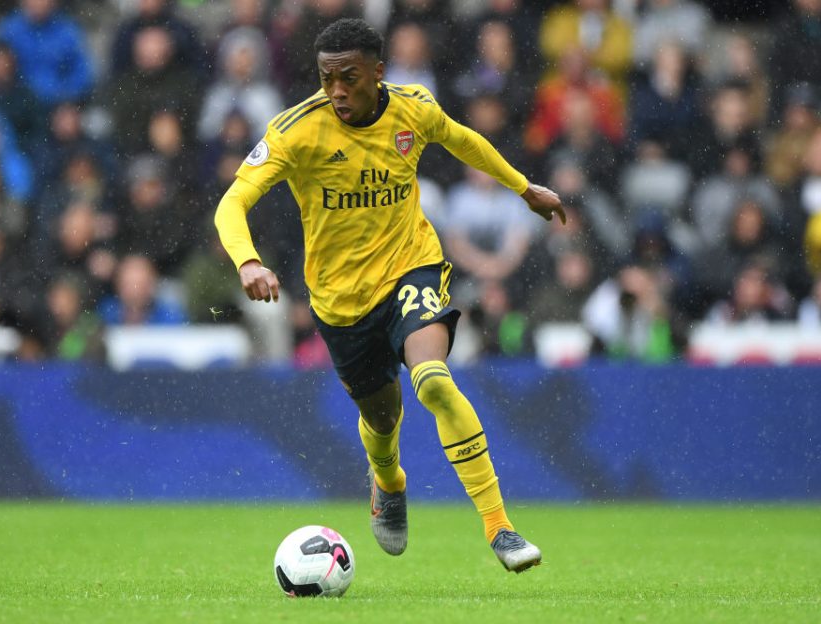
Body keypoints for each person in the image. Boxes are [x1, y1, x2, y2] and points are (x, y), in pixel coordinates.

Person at [214, 18, 565, 573]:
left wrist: (523, 188)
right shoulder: (294, 131)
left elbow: (462, 139)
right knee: (382, 419)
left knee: (432, 380)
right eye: (327, 77)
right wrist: (248, 259)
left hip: (412, 269)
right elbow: (231, 203)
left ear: (378, 73)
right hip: (340, 300)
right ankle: (388, 481)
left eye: (349, 78)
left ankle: (500, 528)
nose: (336, 91)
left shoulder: (413, 107)